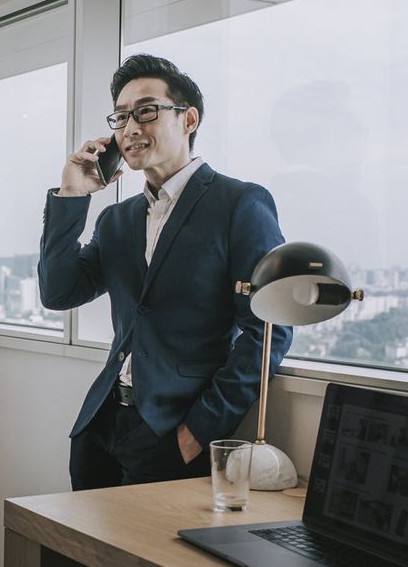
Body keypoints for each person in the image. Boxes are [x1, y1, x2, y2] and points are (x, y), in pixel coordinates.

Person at [38, 54, 292, 490]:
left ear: (188, 119)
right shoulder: (116, 220)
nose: (130, 128)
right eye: (121, 117)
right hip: (101, 426)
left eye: (146, 112)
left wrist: (197, 433)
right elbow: (59, 292)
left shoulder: (239, 204)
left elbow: (268, 329)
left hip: (174, 432)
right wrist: (71, 193)